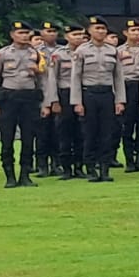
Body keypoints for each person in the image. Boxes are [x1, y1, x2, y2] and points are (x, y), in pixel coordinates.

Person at [0, 21, 52, 187]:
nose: (24, 36)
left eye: (26, 33)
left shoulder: (37, 54)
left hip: (29, 99)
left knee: (29, 138)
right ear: (12, 35)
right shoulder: (2, 54)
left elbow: (43, 80)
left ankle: (25, 174)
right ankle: (9, 176)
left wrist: (46, 103)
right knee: (7, 138)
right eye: (20, 33)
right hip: (9, 99)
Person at [69, 16, 126, 183]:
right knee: (90, 133)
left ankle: (105, 169)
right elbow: (75, 78)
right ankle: (91, 168)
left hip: (107, 95)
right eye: (97, 28)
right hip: (89, 94)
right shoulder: (81, 51)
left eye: (103, 28)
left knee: (107, 133)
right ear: (89, 31)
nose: (100, 31)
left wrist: (120, 101)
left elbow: (118, 78)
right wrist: (77, 102)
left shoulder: (112, 51)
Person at [48, 25, 85, 179]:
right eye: (75, 34)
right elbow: (52, 79)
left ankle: (79, 167)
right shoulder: (59, 55)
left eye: (81, 35)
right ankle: (66, 168)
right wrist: (54, 101)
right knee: (65, 132)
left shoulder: (87, 53)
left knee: (82, 133)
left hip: (84, 95)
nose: (78, 37)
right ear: (67, 36)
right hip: (65, 94)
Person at [115, 20, 139, 173]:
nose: (136, 33)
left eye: (138, 30)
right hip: (127, 87)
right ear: (125, 33)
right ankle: (130, 161)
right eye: (132, 30)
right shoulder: (118, 51)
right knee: (128, 127)